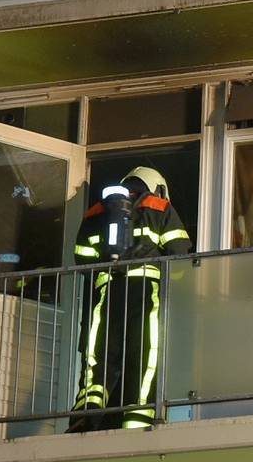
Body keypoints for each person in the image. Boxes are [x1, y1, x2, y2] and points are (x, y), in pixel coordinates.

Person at [68, 166, 191, 432]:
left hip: (107, 290)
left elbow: (82, 257)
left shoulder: (96, 212)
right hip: (146, 290)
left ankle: (87, 411)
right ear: (157, 187)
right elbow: (180, 256)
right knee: (146, 351)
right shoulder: (159, 207)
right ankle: (140, 415)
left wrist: (106, 269)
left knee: (98, 351)